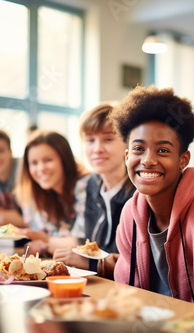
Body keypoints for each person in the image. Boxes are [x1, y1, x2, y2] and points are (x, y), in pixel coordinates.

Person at [110, 85, 194, 308]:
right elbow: (126, 295)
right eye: (138, 149)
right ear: (127, 155)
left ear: (183, 160)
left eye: (163, 151)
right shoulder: (130, 213)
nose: (148, 160)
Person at [53, 102, 135, 278]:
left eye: (108, 139)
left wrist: (91, 263)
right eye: (90, 140)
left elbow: (141, 265)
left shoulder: (138, 193)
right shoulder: (92, 183)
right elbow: (89, 243)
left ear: (128, 143)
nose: (97, 149)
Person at [16, 130, 87, 255]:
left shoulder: (85, 185)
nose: (41, 169)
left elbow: (82, 243)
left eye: (48, 160)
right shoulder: (36, 194)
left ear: (64, 159)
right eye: (34, 163)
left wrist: (46, 244)